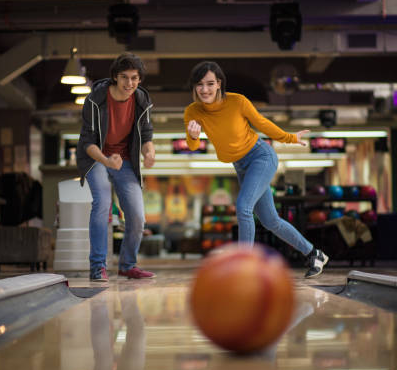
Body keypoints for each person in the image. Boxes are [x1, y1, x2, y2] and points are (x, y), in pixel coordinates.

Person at [184, 61, 329, 278]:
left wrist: (289, 137)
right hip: (241, 166)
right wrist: (193, 135)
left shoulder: (237, 102)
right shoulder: (193, 111)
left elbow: (261, 123)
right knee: (270, 221)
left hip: (261, 157)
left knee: (243, 207)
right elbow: (193, 146)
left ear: (219, 84)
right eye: (200, 85)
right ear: (194, 87)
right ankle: (314, 253)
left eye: (210, 83)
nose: (205, 89)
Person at [76, 52, 156, 281]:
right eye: (124, 77)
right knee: (102, 203)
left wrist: (149, 153)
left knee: (138, 216)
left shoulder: (142, 100)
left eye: (134, 78)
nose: (129, 83)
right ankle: (97, 266)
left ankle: (127, 265)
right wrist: (106, 160)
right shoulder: (95, 99)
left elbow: (146, 135)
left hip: (126, 160)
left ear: (140, 79)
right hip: (96, 157)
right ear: (114, 77)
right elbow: (88, 142)